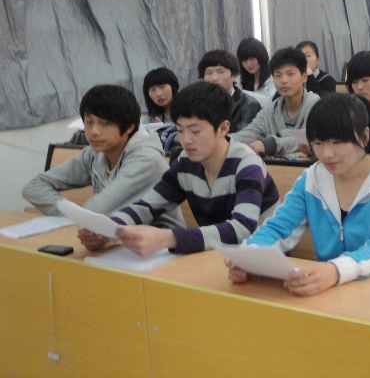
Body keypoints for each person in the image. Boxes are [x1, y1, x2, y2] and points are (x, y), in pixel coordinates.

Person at [227, 94, 370, 296]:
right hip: (334, 290)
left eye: (337, 142)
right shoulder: (312, 179)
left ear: (365, 136)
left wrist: (336, 270)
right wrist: (249, 257)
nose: (327, 153)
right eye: (318, 142)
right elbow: (278, 227)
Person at [89, 81, 279, 256]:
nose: (186, 140)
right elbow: (147, 206)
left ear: (223, 128)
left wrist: (169, 238)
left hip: (263, 258)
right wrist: (109, 229)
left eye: (195, 131)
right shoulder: (185, 163)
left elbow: (242, 229)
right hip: (218, 256)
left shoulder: (247, 164)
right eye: (179, 130)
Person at [22, 85, 184, 231]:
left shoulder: (146, 160)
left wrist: (78, 217)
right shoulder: (94, 153)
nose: (94, 131)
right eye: (89, 122)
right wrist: (72, 215)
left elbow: (94, 213)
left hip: (160, 246)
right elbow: (34, 187)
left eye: (105, 123)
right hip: (113, 238)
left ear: (129, 126)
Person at [232, 47, 320, 157]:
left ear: (304, 77)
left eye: (290, 74)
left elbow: (313, 138)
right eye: (278, 75)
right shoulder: (270, 111)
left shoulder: (317, 107)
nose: (284, 80)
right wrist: (222, 141)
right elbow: (247, 134)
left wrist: (271, 144)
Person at [199, 49, 262, 133]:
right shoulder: (198, 103)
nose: (214, 78)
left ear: (234, 76)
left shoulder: (249, 104)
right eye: (209, 73)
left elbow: (245, 135)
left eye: (220, 72)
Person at [236, 37, 276, 103]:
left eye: (252, 59)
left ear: (261, 57)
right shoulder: (239, 80)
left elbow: (269, 100)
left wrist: (241, 93)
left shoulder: (274, 77)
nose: (248, 64)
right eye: (244, 60)